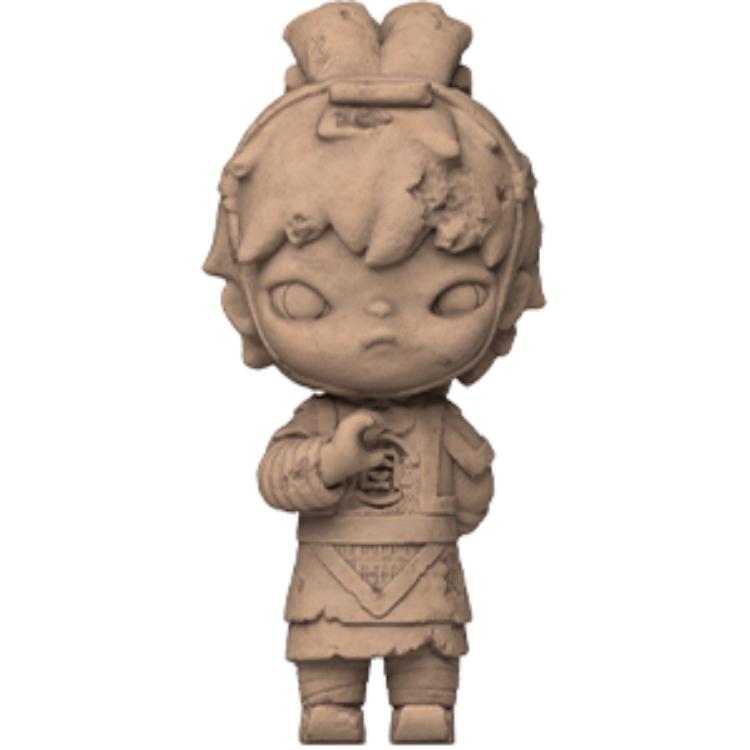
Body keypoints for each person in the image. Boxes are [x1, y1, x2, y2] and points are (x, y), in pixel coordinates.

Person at [204, 2, 543, 742]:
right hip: (329, 580)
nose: (381, 326)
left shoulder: (441, 422)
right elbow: (276, 480)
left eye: (453, 298)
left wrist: (472, 477)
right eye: (307, 300)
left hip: (427, 578)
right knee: (328, 661)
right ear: (246, 298)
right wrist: (329, 462)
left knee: (428, 662)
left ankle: (426, 701)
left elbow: (472, 510)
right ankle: (330, 703)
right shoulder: (320, 419)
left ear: (510, 292)